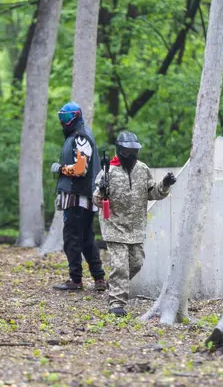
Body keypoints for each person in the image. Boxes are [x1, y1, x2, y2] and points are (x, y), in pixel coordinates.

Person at [93, 131, 176, 316]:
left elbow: (152, 193)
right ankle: (116, 303)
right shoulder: (108, 172)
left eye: (134, 152)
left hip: (136, 226)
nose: (131, 156)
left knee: (137, 263)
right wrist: (102, 191)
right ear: (120, 151)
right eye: (128, 152)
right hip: (114, 225)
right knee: (120, 266)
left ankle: (115, 283)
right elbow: (96, 200)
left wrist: (165, 184)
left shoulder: (143, 169)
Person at [50, 102, 107, 291]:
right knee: (86, 238)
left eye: (67, 118)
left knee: (73, 238)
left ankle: (76, 280)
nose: (63, 122)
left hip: (78, 197)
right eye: (61, 117)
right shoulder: (77, 135)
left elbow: (80, 169)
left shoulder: (80, 137)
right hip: (82, 196)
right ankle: (98, 279)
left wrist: (60, 169)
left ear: (76, 117)